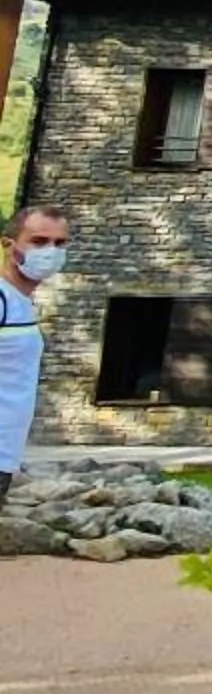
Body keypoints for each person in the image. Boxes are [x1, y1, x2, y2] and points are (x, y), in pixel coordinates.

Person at [0, 201, 68, 499]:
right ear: (8, 245)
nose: (50, 251)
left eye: (60, 243)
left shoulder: (20, 304)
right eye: (39, 241)